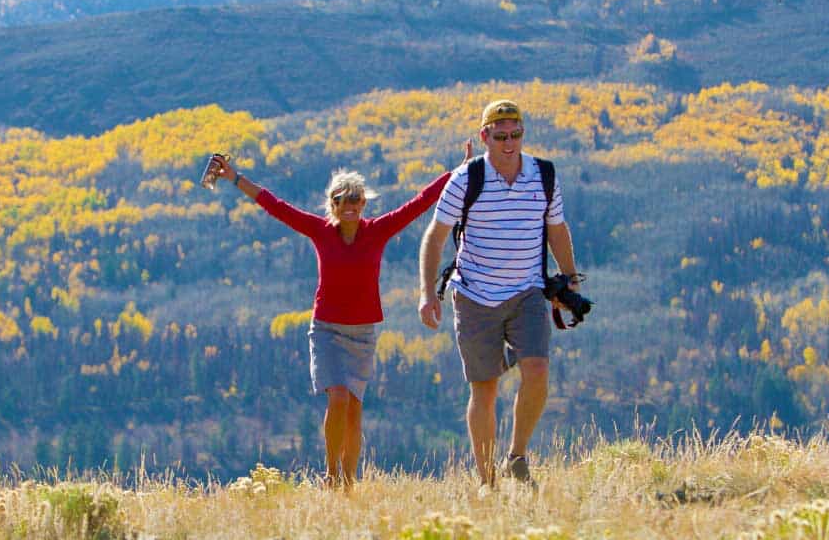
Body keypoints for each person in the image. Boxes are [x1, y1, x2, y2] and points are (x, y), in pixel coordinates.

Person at [209, 147, 468, 488]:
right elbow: (275, 205)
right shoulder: (320, 231)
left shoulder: (378, 230)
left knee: (355, 410)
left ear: (364, 203)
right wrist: (235, 178)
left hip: (363, 332)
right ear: (332, 204)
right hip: (327, 329)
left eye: (355, 200)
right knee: (339, 398)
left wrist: (457, 173)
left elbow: (420, 202)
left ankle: (348, 481)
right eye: (341, 200)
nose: (349, 206)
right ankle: (330, 474)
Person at [417, 100, 581, 488]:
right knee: (485, 388)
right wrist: (427, 293)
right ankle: (487, 481)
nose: (509, 143)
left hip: (527, 290)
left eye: (516, 134)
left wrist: (570, 279)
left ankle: (518, 456)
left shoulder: (544, 175)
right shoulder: (465, 179)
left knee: (538, 371)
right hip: (475, 295)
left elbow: (556, 229)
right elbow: (435, 237)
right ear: (484, 136)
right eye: (500, 135)